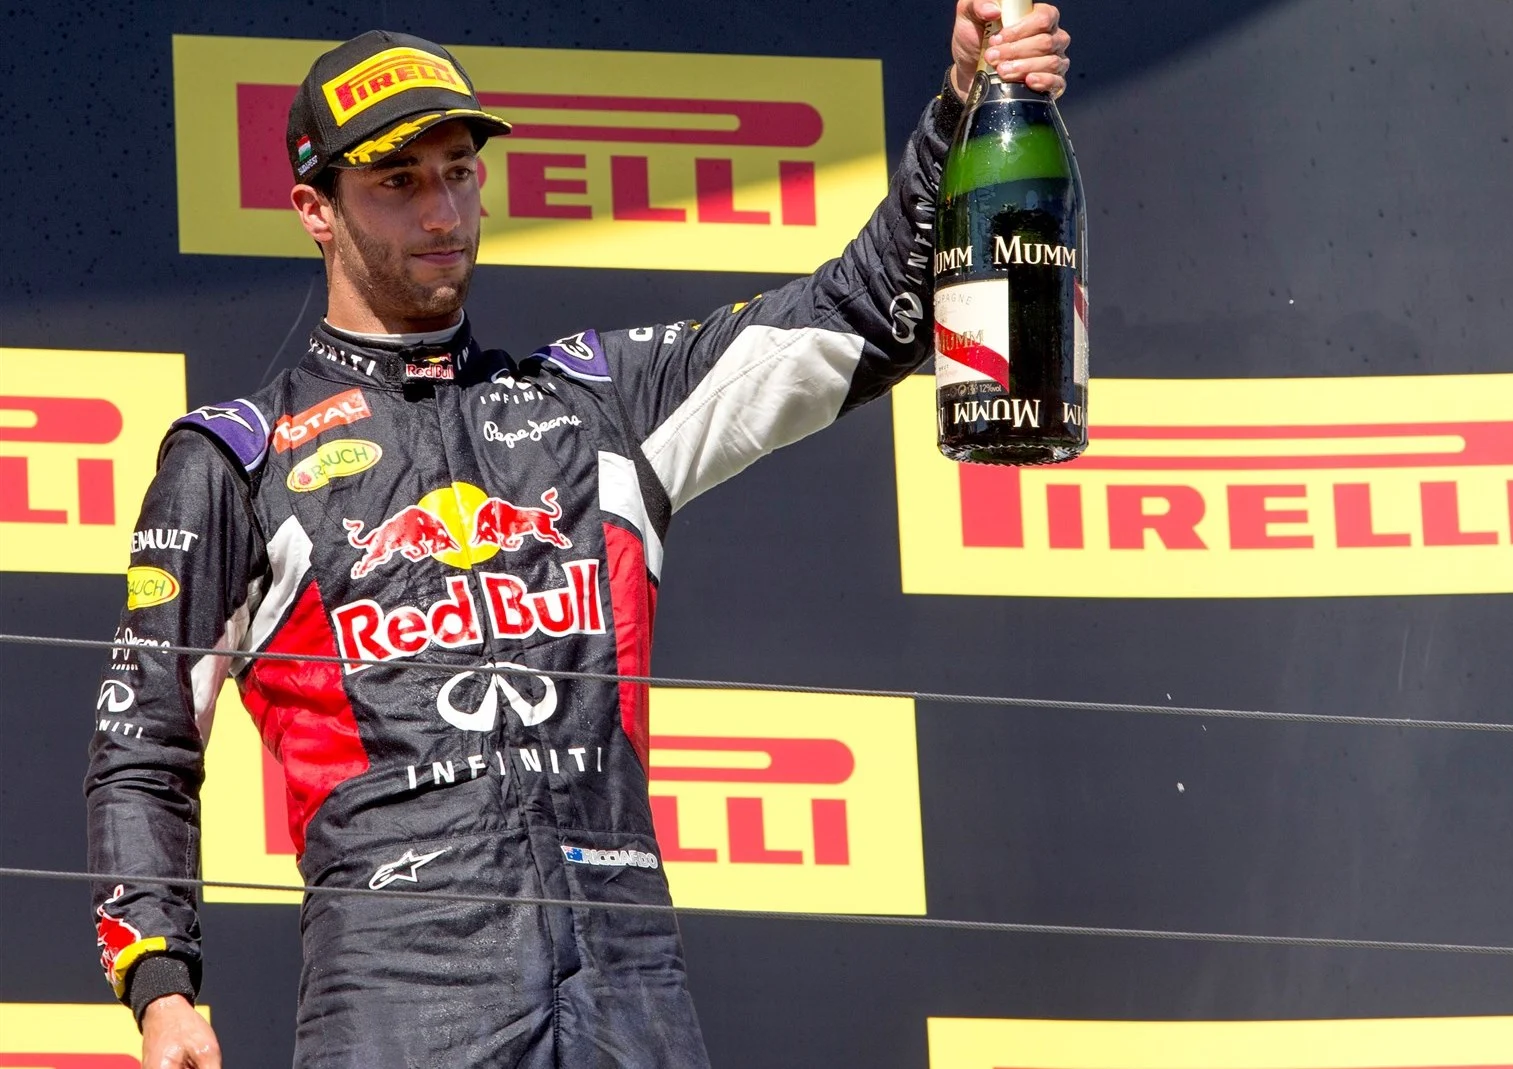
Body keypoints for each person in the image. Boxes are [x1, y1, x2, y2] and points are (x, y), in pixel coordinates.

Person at [86, 6, 1070, 1066]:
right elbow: (141, 748)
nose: (442, 211)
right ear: (314, 210)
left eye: (459, 171)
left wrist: (964, 112)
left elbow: (869, 313)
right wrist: (162, 987)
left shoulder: (603, 403)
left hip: (625, 969)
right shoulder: (237, 460)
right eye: (398, 182)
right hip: (397, 981)